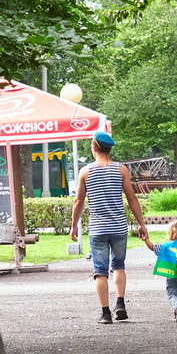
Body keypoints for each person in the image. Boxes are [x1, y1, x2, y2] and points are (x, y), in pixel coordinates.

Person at [71, 131, 147, 324]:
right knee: (119, 266)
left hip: (98, 229)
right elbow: (131, 198)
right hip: (119, 227)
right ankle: (120, 304)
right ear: (109, 148)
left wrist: (74, 226)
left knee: (100, 270)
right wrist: (141, 224)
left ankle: (105, 313)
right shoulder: (121, 170)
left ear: (94, 148)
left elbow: (78, 201)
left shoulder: (85, 172)